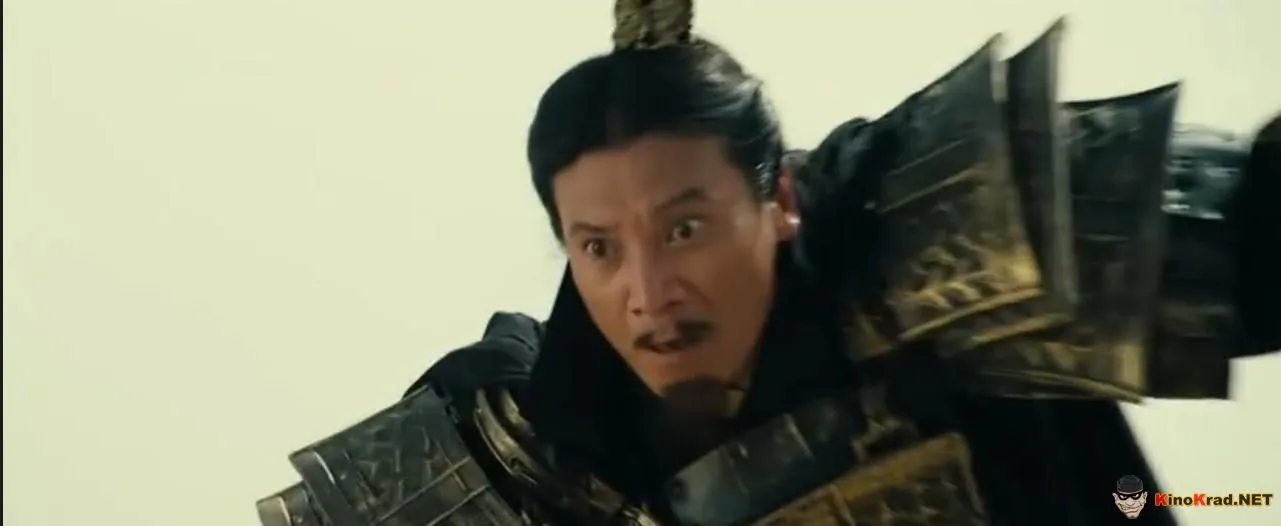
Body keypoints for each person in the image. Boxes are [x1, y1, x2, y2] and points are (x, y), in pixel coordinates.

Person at [255, 2, 1279, 525]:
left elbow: (1257, 240)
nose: (649, 293)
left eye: (684, 229)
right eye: (599, 247)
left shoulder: (945, 235)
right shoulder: (520, 459)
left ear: (780, 197)